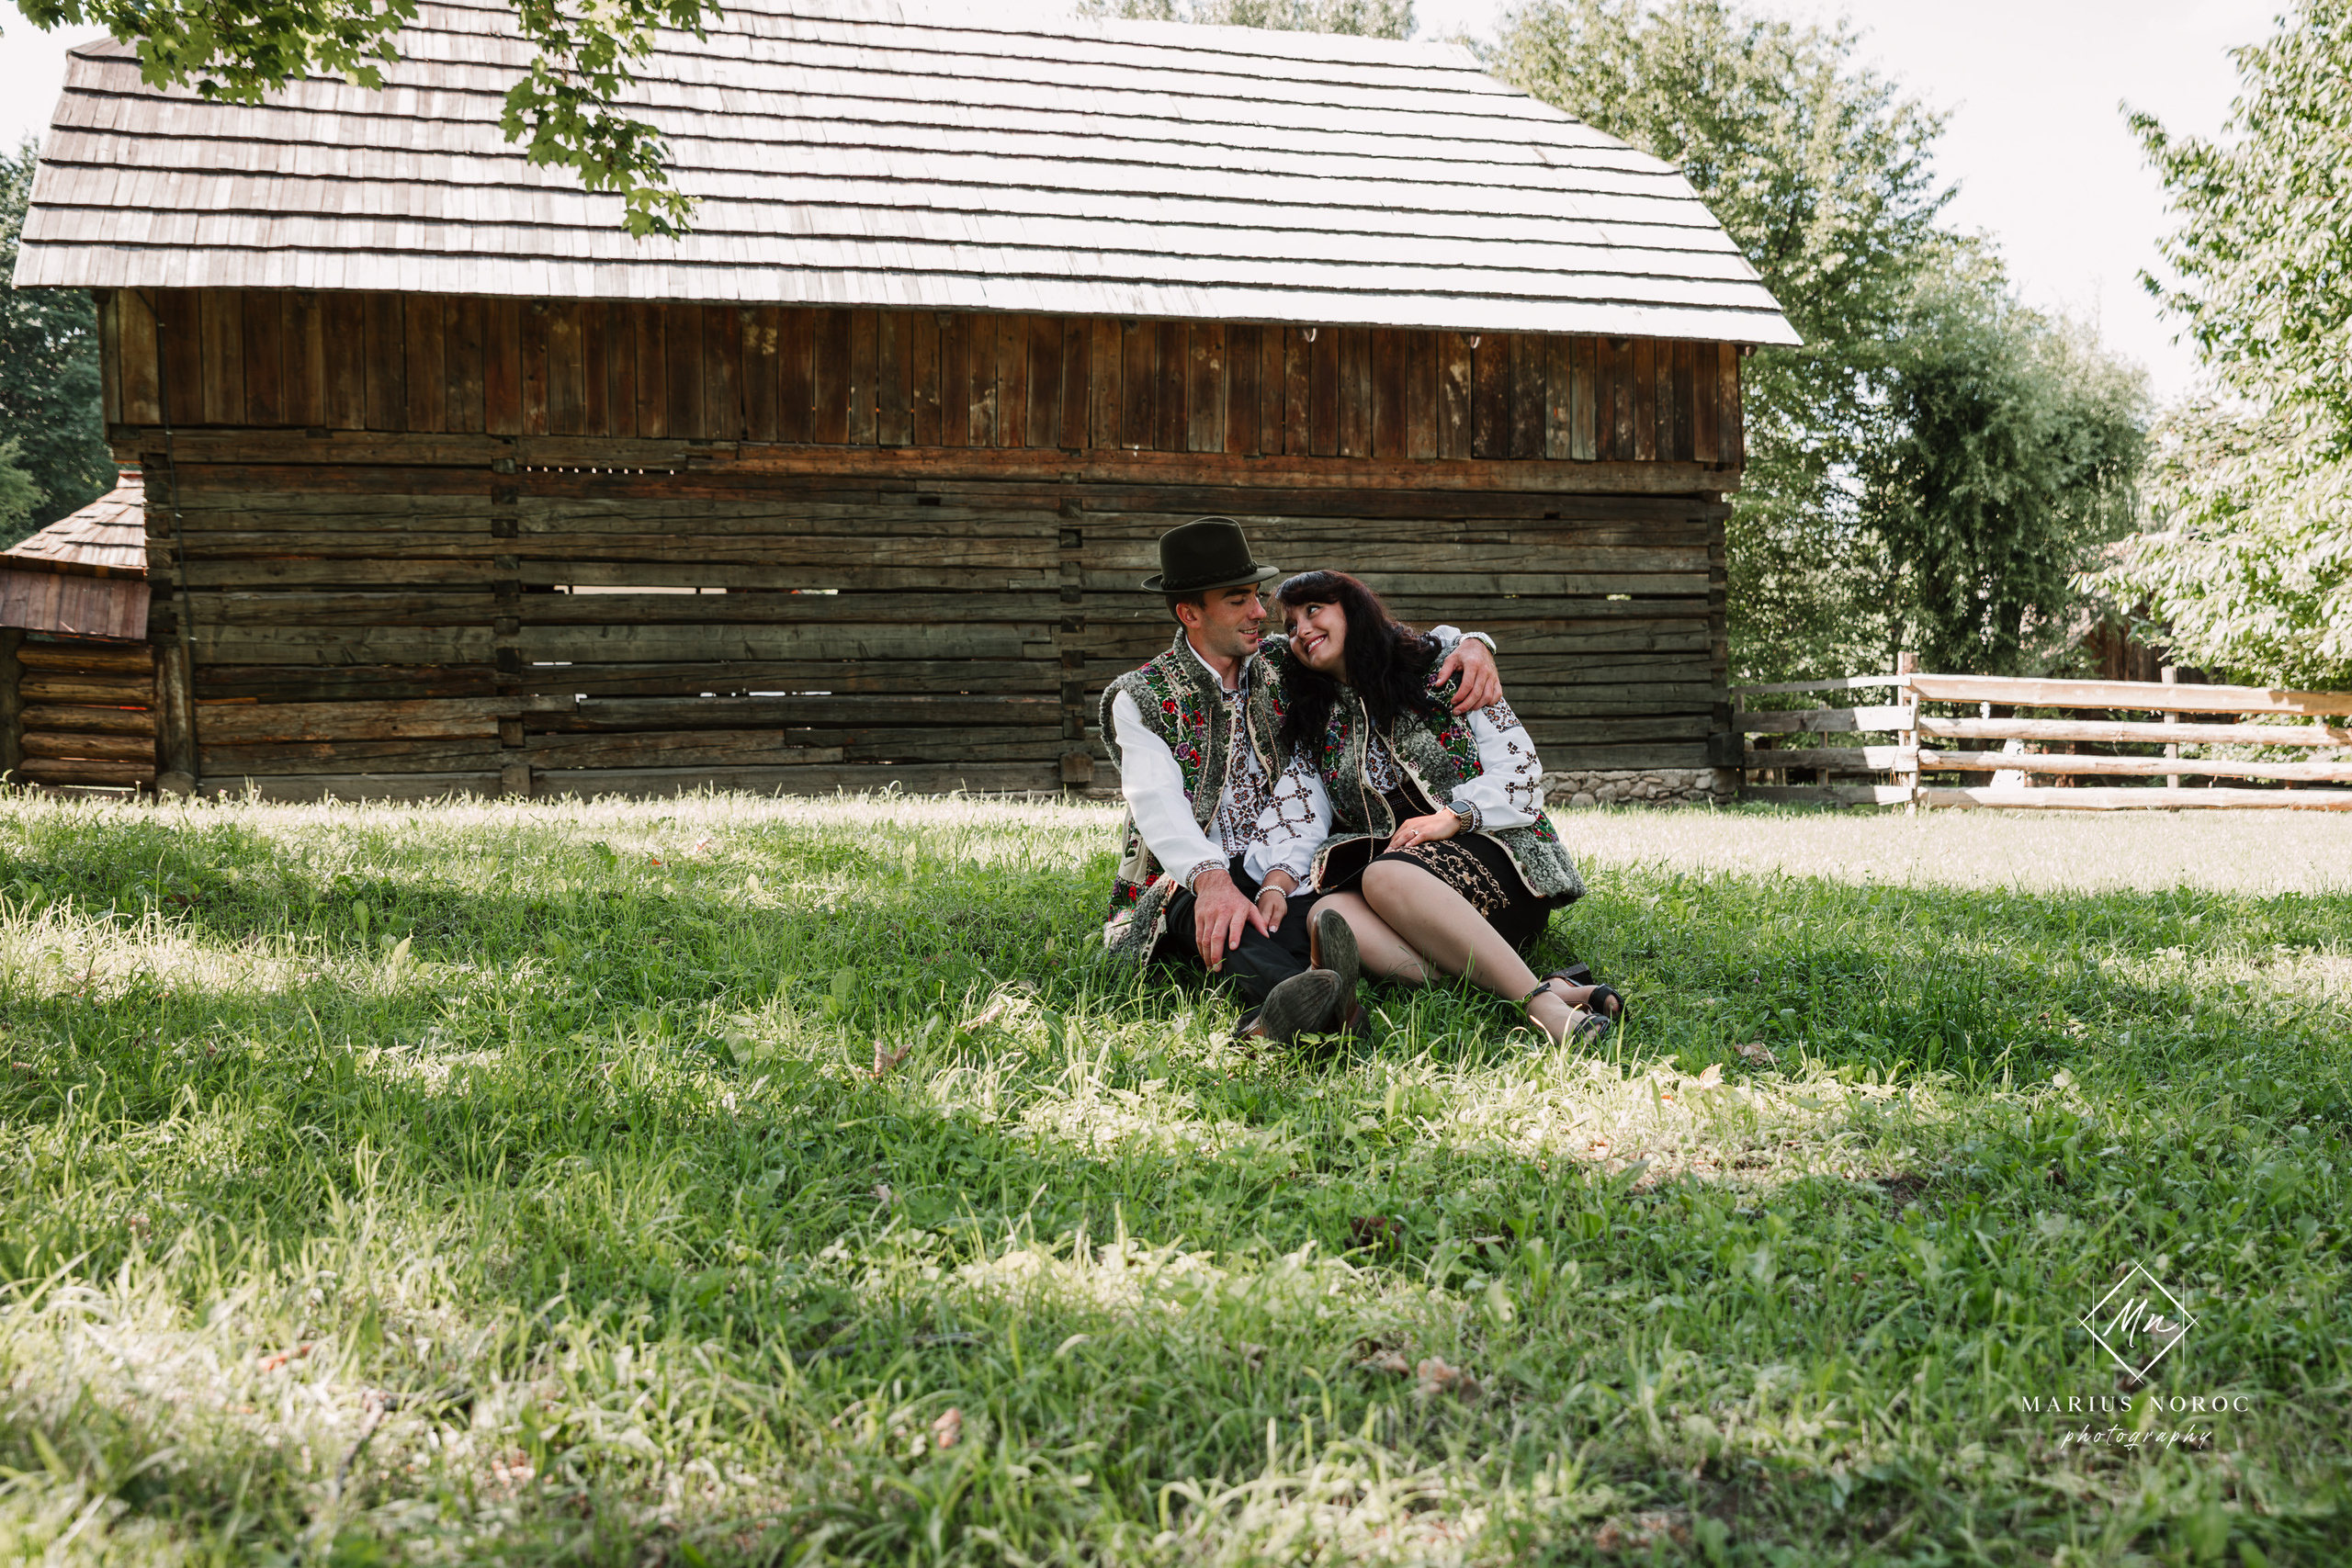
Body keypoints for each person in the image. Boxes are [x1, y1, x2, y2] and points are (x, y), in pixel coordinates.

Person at [1099, 519, 1502, 1043]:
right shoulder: (1141, 696)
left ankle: (1302, 1000)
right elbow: (1156, 805)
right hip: (1190, 873)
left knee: (1326, 912)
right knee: (1219, 918)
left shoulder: (1281, 662)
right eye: (1238, 600)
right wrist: (1212, 880)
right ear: (1190, 613)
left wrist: (1471, 642)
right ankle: (1318, 1005)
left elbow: (1383, 640)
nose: (1261, 613)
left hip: (1282, 868)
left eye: (1257, 597)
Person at [1256, 569, 1622, 1047]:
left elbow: (1522, 773)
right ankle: (1544, 985)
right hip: (1411, 892)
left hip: (1499, 860)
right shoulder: (1318, 722)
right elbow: (1301, 814)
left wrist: (1452, 816)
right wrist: (1277, 883)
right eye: (1289, 625)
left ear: (1353, 609)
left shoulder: (1443, 669)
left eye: (1314, 610)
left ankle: (1544, 1009)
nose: (1301, 630)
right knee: (1327, 912)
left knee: (1382, 875)